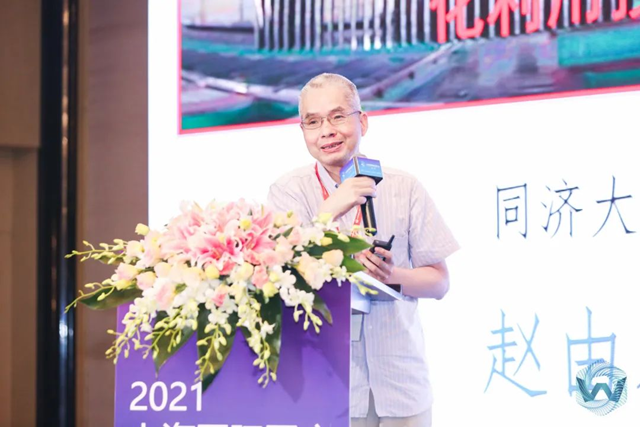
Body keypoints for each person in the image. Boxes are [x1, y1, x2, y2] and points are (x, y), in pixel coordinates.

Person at [267, 73, 459, 427]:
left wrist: (390, 275)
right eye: (313, 122)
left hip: (402, 382)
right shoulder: (287, 192)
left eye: (338, 116)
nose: (327, 131)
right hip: (328, 387)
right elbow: (279, 274)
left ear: (363, 121)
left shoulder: (404, 187)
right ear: (303, 130)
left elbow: (439, 282)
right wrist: (329, 210)